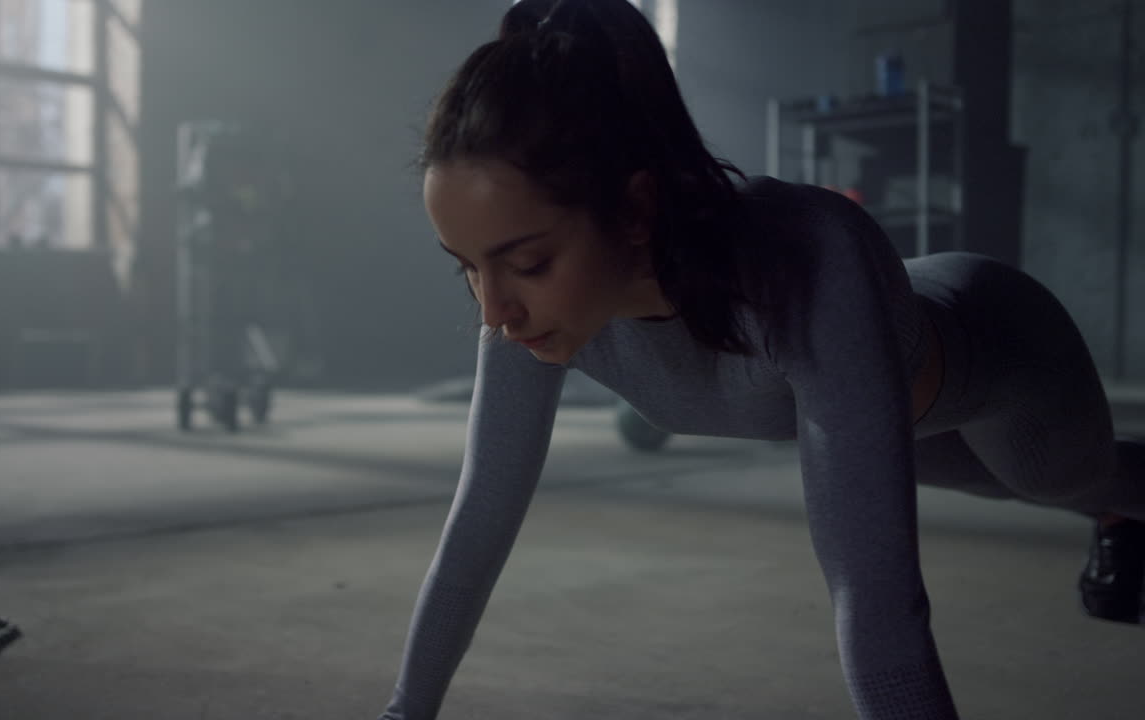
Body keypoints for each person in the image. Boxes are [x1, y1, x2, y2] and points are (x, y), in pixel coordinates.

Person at [378, 1, 1145, 718]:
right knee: (989, 483)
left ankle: (1118, 504)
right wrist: (403, 710)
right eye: (466, 266)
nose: (493, 312)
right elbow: (477, 526)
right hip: (895, 418)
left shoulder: (806, 256)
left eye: (529, 262)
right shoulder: (530, 312)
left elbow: (875, 600)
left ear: (637, 210)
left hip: (1007, 354)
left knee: (1057, 477)